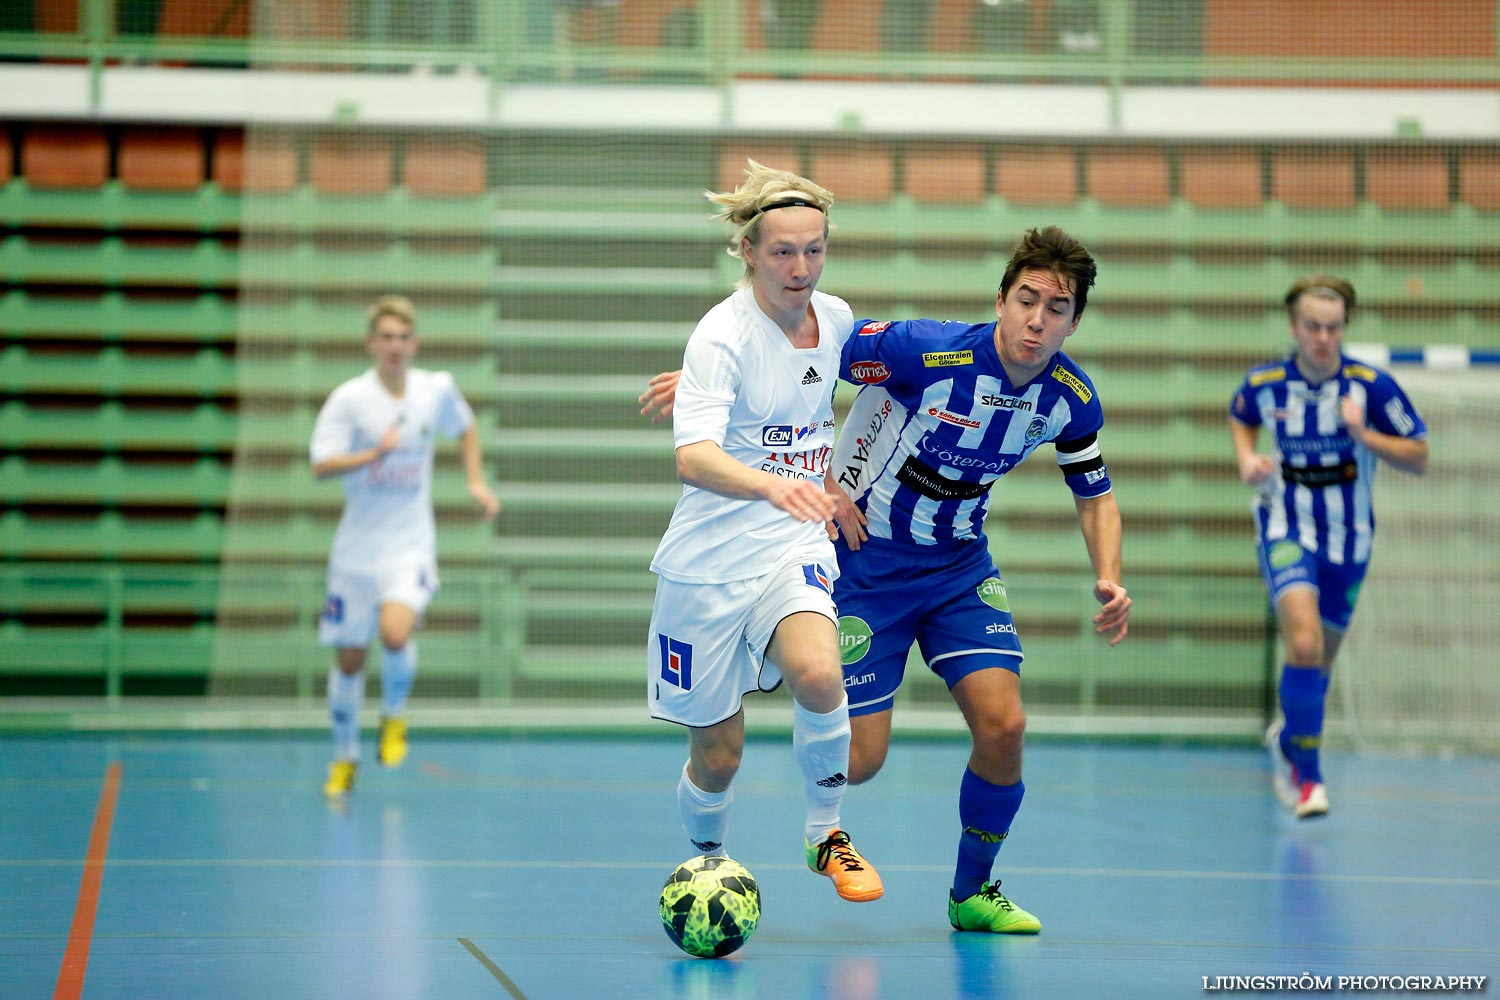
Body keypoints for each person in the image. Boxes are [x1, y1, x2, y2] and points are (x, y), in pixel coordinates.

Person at [642, 225, 1132, 933]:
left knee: (1006, 725)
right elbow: (797, 349)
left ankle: (973, 893)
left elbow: (1095, 492)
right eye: (1027, 300)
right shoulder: (921, 352)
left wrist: (1109, 577)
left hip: (960, 569)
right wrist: (706, 385)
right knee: (860, 760)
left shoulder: (1070, 398)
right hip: (866, 562)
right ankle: (807, 752)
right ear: (1001, 299)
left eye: (1057, 308)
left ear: (1074, 320)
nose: (1037, 319)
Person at [647, 160, 882, 904]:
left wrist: (836, 482)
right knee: (718, 758)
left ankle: (827, 834)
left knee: (819, 672)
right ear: (747, 251)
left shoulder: (838, 320)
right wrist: (774, 481)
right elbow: (693, 457)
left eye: (814, 249)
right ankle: (707, 863)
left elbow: (890, 382)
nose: (801, 266)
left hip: (794, 543)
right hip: (709, 560)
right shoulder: (719, 336)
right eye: (783, 250)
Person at [1229, 276, 1428, 820]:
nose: (1323, 337)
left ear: (1344, 329)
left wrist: (1366, 437)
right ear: (1295, 328)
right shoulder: (1266, 383)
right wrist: (1248, 460)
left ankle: (1292, 739)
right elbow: (1241, 415)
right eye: (1313, 326)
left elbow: (1418, 454)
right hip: (1286, 527)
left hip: (1351, 538)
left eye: (1333, 327)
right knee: (1304, 641)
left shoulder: (1373, 386)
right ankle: (1308, 778)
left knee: (1320, 661)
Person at [310, 294, 500, 799]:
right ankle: (344, 757)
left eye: (403, 337)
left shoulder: (434, 390)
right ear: (371, 343)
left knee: (395, 634)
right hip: (355, 552)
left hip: (409, 545)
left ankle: (394, 715)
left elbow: (466, 428)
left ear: (413, 343)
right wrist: (373, 454)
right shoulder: (349, 399)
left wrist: (476, 482)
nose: (395, 346)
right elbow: (320, 463)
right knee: (350, 660)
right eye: (385, 337)